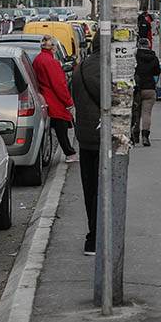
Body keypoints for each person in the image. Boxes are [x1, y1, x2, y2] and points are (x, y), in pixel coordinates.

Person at [72, 34, 102, 255]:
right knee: (106, 190)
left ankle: (92, 237)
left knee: (90, 188)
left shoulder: (80, 67)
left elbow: (75, 98)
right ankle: (101, 236)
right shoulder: (110, 66)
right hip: (106, 136)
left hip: (85, 136)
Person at [32, 35, 78, 163]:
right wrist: (68, 102)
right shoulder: (51, 62)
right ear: (52, 48)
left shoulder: (38, 59)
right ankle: (70, 153)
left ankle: (67, 152)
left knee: (55, 129)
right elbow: (59, 84)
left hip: (45, 97)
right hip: (54, 100)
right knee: (61, 128)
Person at [132, 38, 161, 147]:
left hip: (137, 88)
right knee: (146, 113)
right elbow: (157, 71)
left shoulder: (134, 56)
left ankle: (135, 135)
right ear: (149, 45)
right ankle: (145, 136)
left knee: (136, 113)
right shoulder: (153, 57)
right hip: (149, 88)